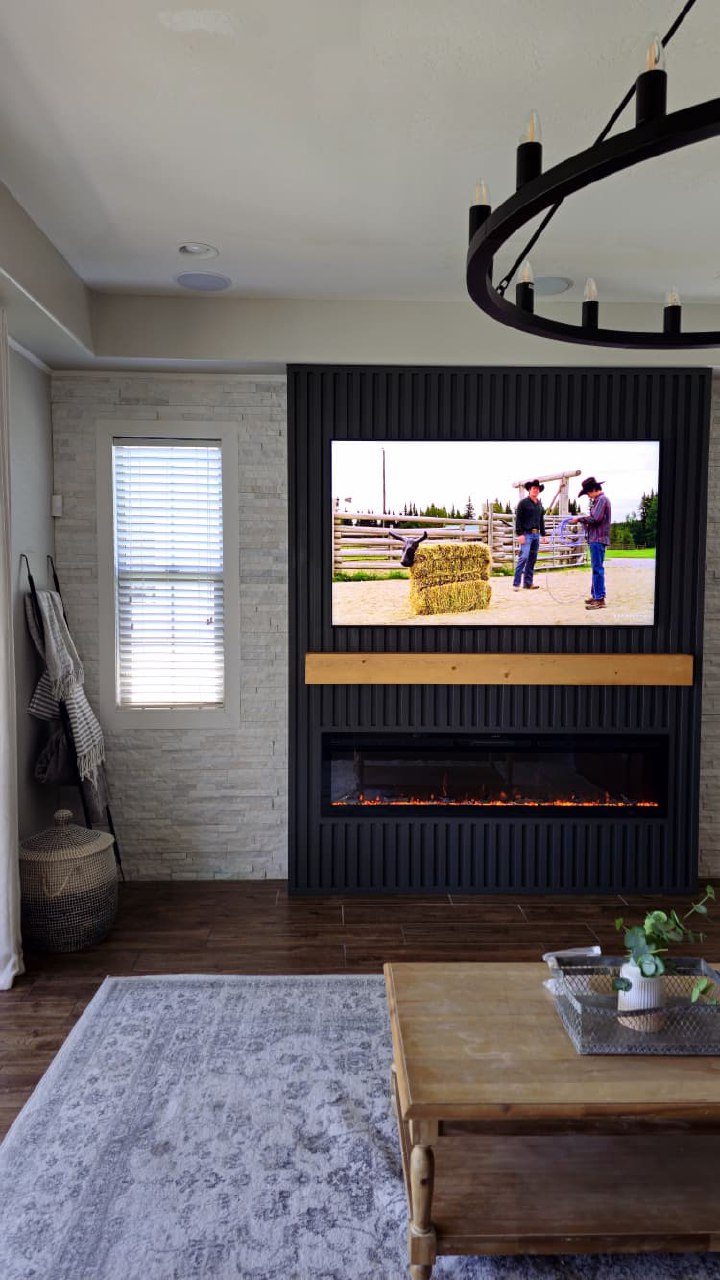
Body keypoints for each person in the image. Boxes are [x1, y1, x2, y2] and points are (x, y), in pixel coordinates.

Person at [577, 476, 611, 609]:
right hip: (596, 538)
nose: (588, 496)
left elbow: (595, 518)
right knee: (596, 567)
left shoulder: (601, 499)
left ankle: (599, 599)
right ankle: (596, 595)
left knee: (597, 568)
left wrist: (580, 519)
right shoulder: (599, 500)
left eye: (588, 493)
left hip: (598, 539)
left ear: (593, 490)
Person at [513, 479, 548, 590]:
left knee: (532, 559)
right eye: (533, 488)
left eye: (537, 489)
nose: (535, 490)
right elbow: (518, 519)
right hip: (526, 534)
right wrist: (520, 534)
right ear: (529, 490)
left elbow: (541, 520)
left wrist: (543, 534)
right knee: (523, 557)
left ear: (539, 491)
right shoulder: (523, 503)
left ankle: (528, 583)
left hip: (536, 535)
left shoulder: (539, 505)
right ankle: (516, 583)